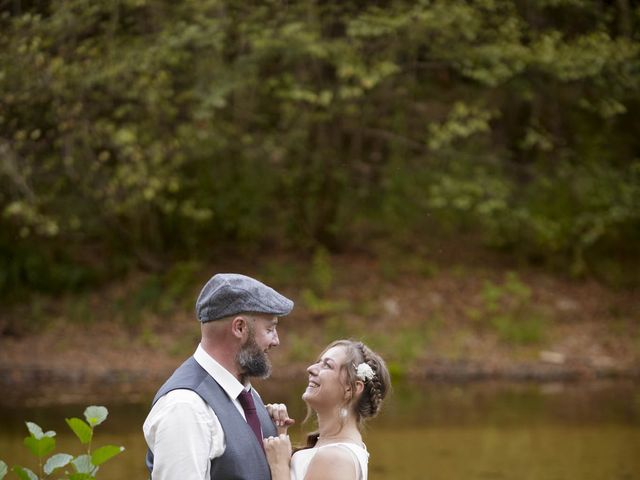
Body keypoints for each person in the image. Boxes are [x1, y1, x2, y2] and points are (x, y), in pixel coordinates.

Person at [143, 273, 295, 480]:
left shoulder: (244, 392)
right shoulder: (185, 407)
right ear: (239, 328)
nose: (276, 341)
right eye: (270, 329)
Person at [263, 339, 391, 480]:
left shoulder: (337, 458)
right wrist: (279, 432)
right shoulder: (334, 449)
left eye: (327, 365)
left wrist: (279, 466)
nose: (311, 369)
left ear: (351, 388)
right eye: (319, 362)